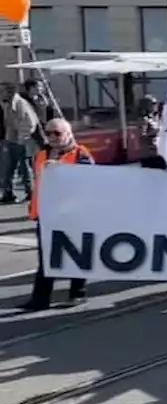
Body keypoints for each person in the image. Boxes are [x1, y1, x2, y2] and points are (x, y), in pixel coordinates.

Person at [21, 119, 95, 311]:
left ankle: (78, 293)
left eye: (57, 133)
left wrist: (60, 168)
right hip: (46, 215)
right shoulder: (41, 154)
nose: (52, 137)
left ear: (69, 134)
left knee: (75, 253)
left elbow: (89, 182)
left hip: (72, 214)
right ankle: (40, 299)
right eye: (49, 133)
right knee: (46, 258)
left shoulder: (81, 154)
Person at [0, 83, 40, 204]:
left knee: (24, 168)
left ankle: (31, 193)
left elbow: (30, 122)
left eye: (3, 91)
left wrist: (22, 137)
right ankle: (8, 193)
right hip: (10, 139)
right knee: (7, 168)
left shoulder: (20, 103)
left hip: (21, 140)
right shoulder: (7, 103)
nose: (2, 94)